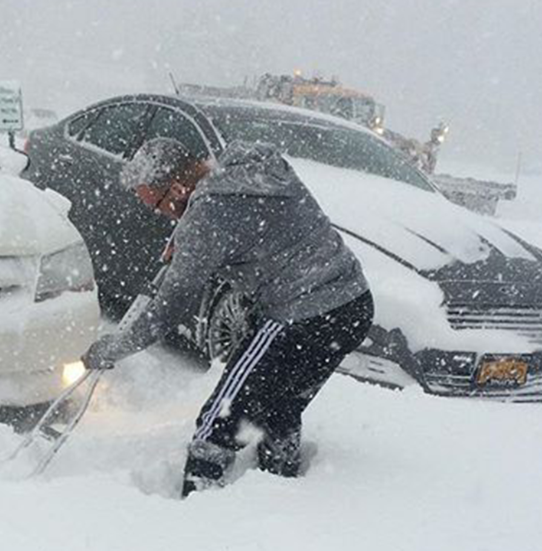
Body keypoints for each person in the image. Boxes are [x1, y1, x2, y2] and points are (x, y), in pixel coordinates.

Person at [81, 137, 374, 498]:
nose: (161, 214)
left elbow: (167, 309)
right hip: (352, 305)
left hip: (302, 316)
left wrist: (113, 348)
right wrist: (193, 228)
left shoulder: (206, 215)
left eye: (158, 204)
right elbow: (253, 228)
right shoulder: (251, 165)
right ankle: (279, 494)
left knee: (219, 423)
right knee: (282, 405)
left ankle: (198, 510)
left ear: (176, 187)